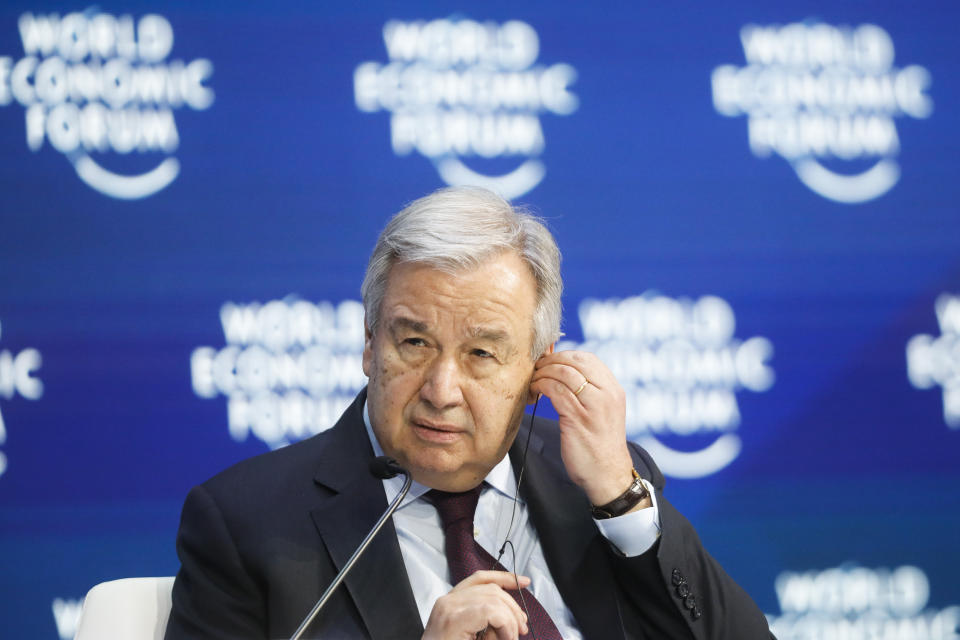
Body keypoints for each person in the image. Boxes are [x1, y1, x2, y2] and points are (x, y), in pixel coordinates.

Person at [164, 187, 774, 639]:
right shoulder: (246, 523)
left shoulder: (593, 485)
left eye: (481, 353)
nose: (441, 389)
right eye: (414, 343)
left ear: (539, 365)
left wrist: (620, 500)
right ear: (370, 342)